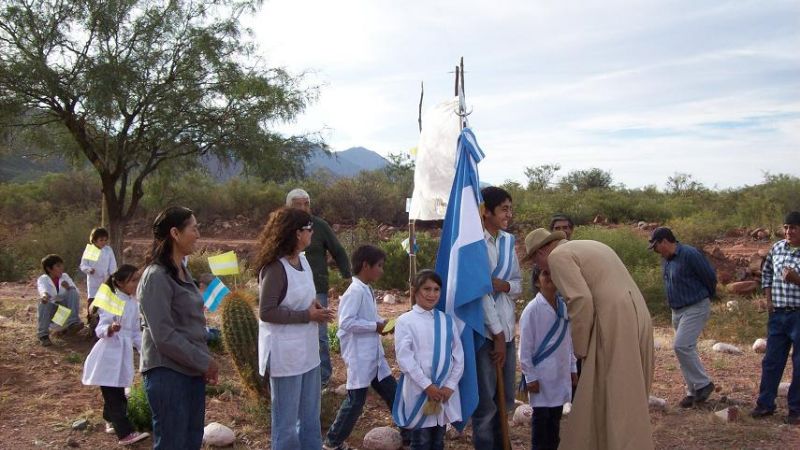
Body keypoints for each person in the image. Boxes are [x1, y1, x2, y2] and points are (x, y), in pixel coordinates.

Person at [524, 228, 654, 450]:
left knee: (613, 389)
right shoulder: (590, 245)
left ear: (542, 251)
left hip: (614, 318)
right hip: (638, 313)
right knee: (629, 386)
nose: (541, 268)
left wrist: (580, 349)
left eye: (536, 260)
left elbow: (580, 299)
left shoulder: (557, 257)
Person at [138, 206, 219, 450]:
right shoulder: (156, 276)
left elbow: (190, 325)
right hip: (167, 373)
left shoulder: (181, 271)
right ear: (175, 232)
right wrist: (203, 360)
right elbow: (163, 335)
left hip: (190, 371)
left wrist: (201, 360)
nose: (198, 234)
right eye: (193, 228)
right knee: (172, 442)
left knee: (190, 440)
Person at [254, 206, 334, 450]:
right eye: (309, 229)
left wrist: (315, 307)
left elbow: (303, 296)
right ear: (297, 233)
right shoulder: (275, 269)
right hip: (285, 354)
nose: (312, 233)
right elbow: (267, 311)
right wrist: (306, 315)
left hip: (307, 351)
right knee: (286, 421)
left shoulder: (304, 261)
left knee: (310, 415)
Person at [324, 245, 410, 450]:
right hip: (360, 356)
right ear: (366, 266)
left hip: (374, 357)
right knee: (355, 401)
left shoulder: (366, 289)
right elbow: (346, 322)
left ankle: (409, 436)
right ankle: (332, 442)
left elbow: (368, 318)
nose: (382, 270)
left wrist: (383, 323)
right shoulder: (354, 291)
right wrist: (375, 326)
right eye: (379, 266)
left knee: (394, 394)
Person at [473, 186, 522, 450]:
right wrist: (498, 335)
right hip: (486, 334)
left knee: (506, 401)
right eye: (504, 209)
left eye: (510, 209)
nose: (509, 214)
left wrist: (503, 286)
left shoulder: (508, 242)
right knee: (486, 404)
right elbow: (480, 293)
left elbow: (517, 285)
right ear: (486, 211)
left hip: (507, 331)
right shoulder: (474, 245)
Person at [287, 188, 352, 387]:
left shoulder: (319, 226)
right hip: (289, 289)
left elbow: (338, 251)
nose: (303, 207)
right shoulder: (283, 228)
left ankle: (323, 377)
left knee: (320, 334)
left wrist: (348, 278)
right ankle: (297, 373)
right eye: (298, 204)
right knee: (293, 331)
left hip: (317, 288)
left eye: (306, 203)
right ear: (289, 206)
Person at [393, 270, 464, 450]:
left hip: (442, 394)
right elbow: (405, 359)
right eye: (426, 289)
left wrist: (450, 385)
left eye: (436, 289)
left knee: (438, 441)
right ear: (415, 290)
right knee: (421, 441)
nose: (432, 294)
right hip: (419, 391)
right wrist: (427, 385)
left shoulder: (447, 321)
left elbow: (458, 356)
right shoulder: (405, 321)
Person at [82, 264, 149, 446]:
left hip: (123, 353)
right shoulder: (112, 301)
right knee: (114, 395)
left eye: (137, 279)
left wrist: (146, 349)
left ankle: (110, 420)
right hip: (108, 354)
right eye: (133, 280)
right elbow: (100, 328)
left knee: (117, 390)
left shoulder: (134, 302)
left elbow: (135, 332)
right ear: (119, 283)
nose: (136, 283)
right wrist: (110, 329)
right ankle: (124, 433)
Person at [648, 226, 716, 407]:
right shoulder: (667, 260)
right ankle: (693, 392)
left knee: (681, 345)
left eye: (656, 246)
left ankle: (703, 384)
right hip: (677, 310)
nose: (655, 250)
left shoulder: (689, 254)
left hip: (695, 306)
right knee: (686, 350)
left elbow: (709, 276)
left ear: (664, 242)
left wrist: (707, 296)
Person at [519, 265, 578, 450]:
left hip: (560, 374)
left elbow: (568, 342)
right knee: (541, 425)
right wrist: (530, 377)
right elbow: (525, 348)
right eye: (545, 274)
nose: (550, 277)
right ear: (537, 281)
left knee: (554, 423)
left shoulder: (564, 307)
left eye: (554, 273)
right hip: (541, 376)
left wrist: (572, 368)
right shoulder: (532, 310)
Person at [751, 211, 800, 425]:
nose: (789, 231)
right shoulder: (777, 248)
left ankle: (796, 410)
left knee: (799, 364)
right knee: (771, 361)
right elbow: (768, 273)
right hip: (778, 314)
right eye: (786, 227)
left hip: (799, 314)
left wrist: (796, 279)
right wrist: (768, 299)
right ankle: (765, 405)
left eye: (794, 228)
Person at [36, 254, 83, 346]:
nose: (61, 268)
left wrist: (68, 287)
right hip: (55, 318)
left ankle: (73, 324)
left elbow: (76, 294)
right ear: (49, 269)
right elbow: (43, 290)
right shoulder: (43, 279)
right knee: (43, 303)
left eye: (62, 265)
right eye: (58, 266)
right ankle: (43, 336)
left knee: (72, 291)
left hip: (65, 317)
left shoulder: (65, 276)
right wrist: (45, 296)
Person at [80, 227, 118, 334]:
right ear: (94, 240)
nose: (104, 242)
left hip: (106, 279)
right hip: (93, 281)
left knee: (106, 301)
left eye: (105, 240)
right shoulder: (90, 250)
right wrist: (89, 270)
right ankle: (91, 324)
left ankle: (104, 324)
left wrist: (112, 275)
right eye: (101, 240)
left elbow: (112, 264)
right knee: (93, 301)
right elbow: (83, 265)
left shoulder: (108, 250)